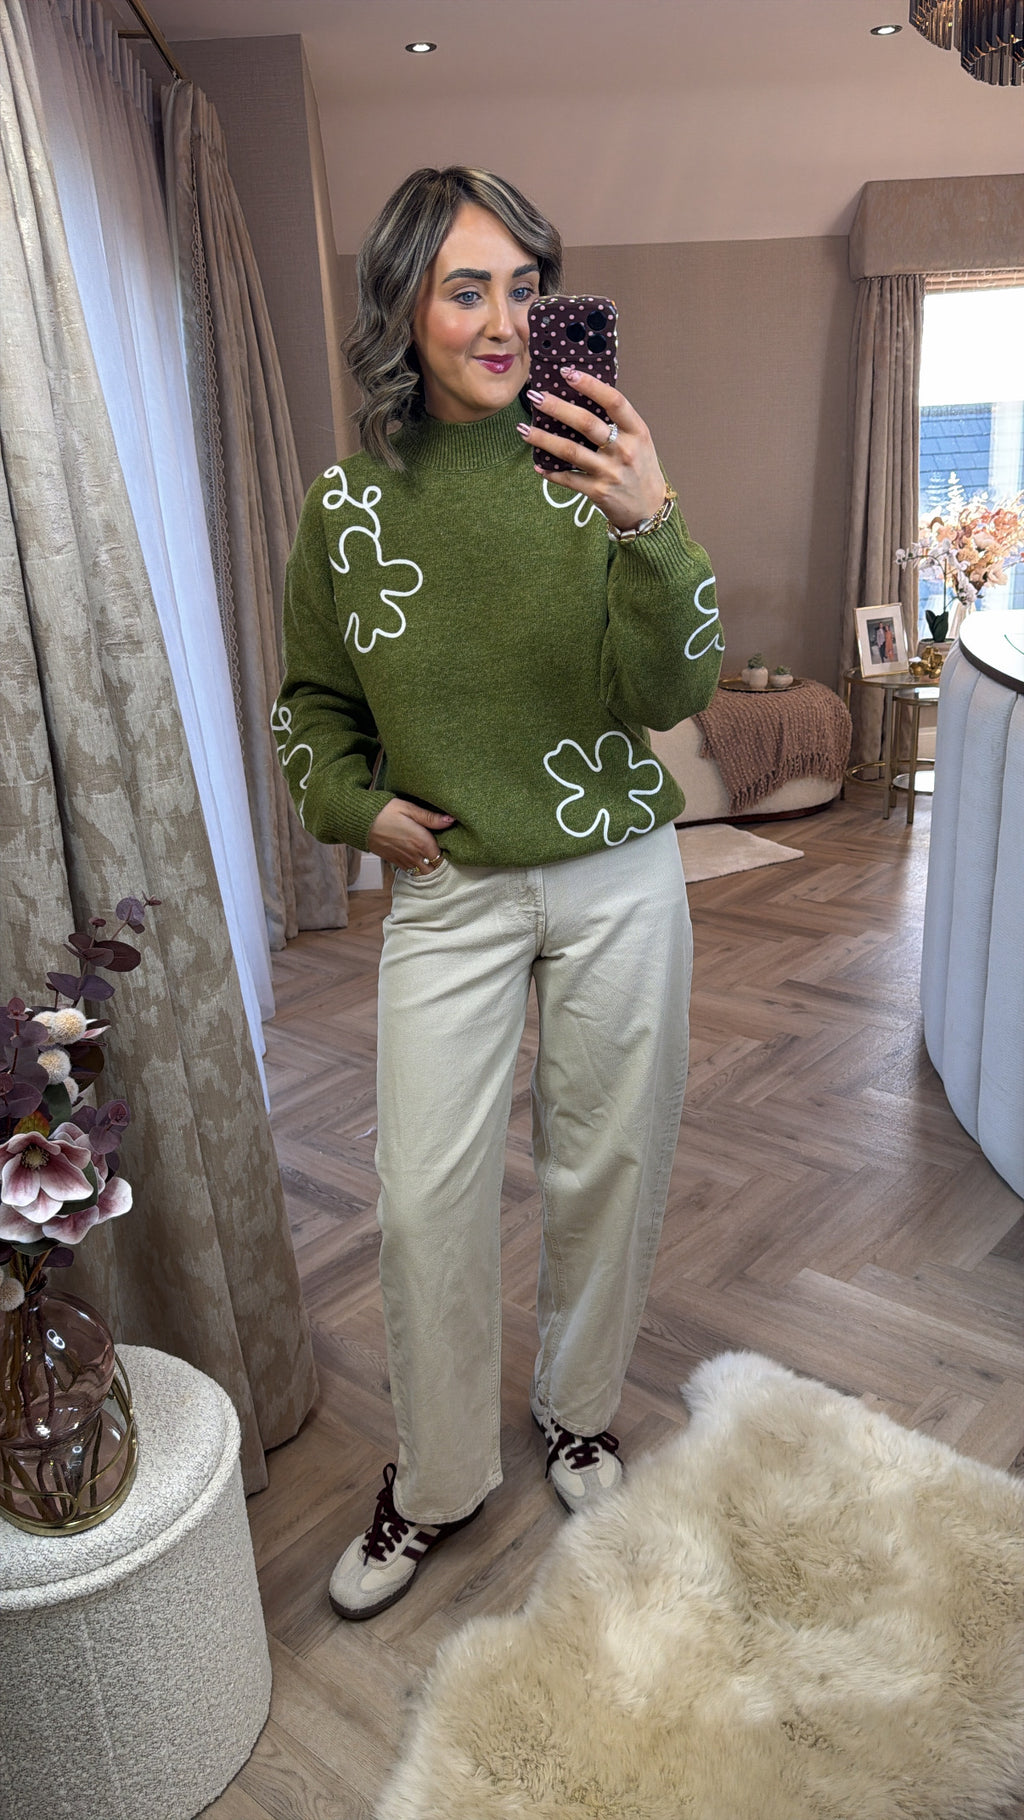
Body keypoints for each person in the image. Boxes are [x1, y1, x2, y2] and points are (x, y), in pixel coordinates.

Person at [273, 166, 723, 1622]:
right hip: (451, 889)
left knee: (611, 1161)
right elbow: (311, 704)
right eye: (467, 288)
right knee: (423, 1200)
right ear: (403, 306)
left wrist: (652, 525)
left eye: (527, 287)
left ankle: (579, 1413)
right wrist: (354, 809)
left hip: (617, 874)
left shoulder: (596, 469)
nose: (505, 319)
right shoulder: (349, 508)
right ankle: (439, 1476)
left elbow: (676, 686)